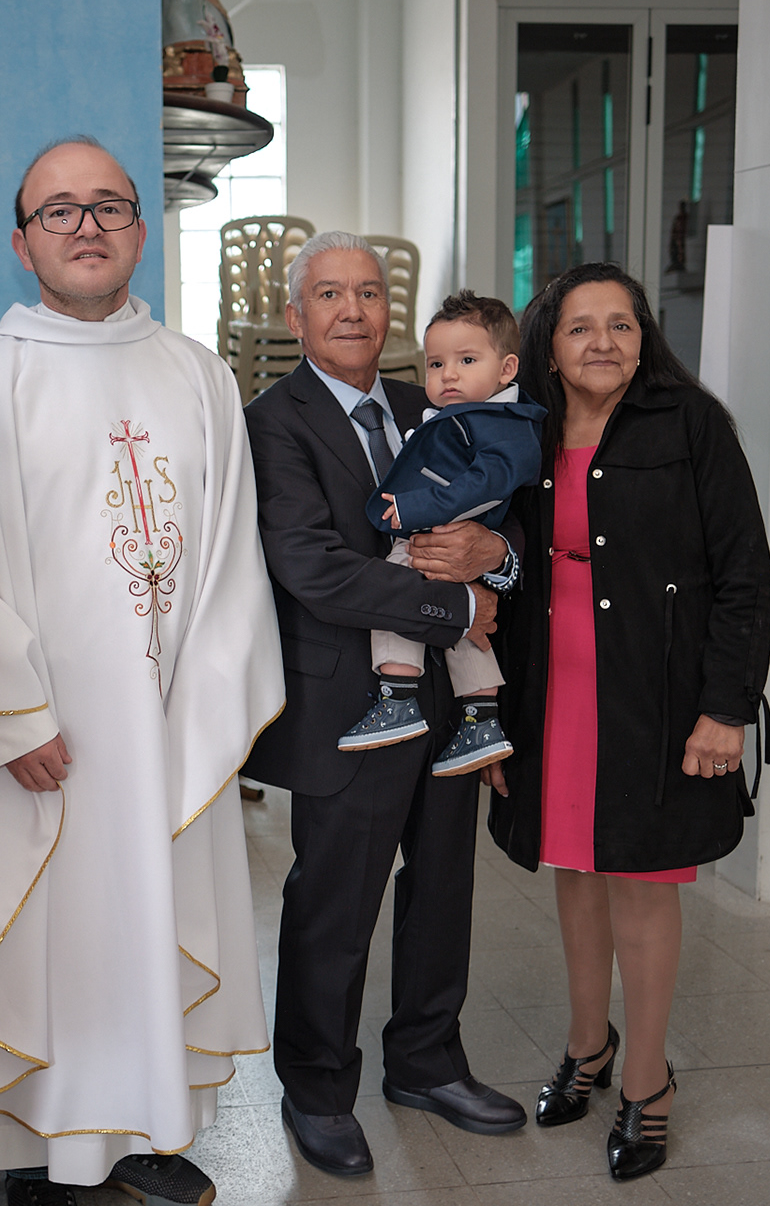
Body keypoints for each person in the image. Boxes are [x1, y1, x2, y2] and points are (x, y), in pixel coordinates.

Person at [0, 135, 283, 1206]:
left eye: (108, 206)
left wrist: (202, 707)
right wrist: (9, 716)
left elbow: (234, 553)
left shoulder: (198, 373)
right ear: (21, 242)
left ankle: (145, 1130)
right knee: (54, 936)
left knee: (150, 921)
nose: (86, 226)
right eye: (58, 210)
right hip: (43, 739)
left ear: (139, 231)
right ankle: (42, 1149)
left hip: (166, 724)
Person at [242, 231, 529, 1179]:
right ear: (297, 317)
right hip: (343, 707)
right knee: (334, 902)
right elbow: (312, 567)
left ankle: (426, 1062)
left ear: (389, 311)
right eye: (330, 294)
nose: (353, 310)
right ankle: (318, 1089)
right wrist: (460, 608)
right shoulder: (270, 423)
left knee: (443, 887)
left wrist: (497, 559)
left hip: (444, 699)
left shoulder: (427, 402)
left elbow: (504, 516)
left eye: (368, 292)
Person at [484, 262, 770, 1181]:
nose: (602, 342)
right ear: (549, 347)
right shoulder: (520, 430)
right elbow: (496, 571)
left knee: (645, 883)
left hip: (654, 695)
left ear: (645, 337)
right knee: (575, 869)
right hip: (551, 689)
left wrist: (725, 709)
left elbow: (745, 575)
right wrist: (493, 715)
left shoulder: (691, 424)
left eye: (621, 323)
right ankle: (588, 1045)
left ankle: (648, 1082)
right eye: (581, 327)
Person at [338, 290, 545, 782]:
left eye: (466, 360)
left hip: (436, 533)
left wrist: (415, 508)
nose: (448, 374)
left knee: (397, 586)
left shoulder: (503, 423)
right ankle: (481, 717)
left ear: (507, 369)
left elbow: (483, 485)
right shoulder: (464, 412)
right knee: (464, 626)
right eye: (436, 364)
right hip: (444, 545)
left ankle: (397, 696)